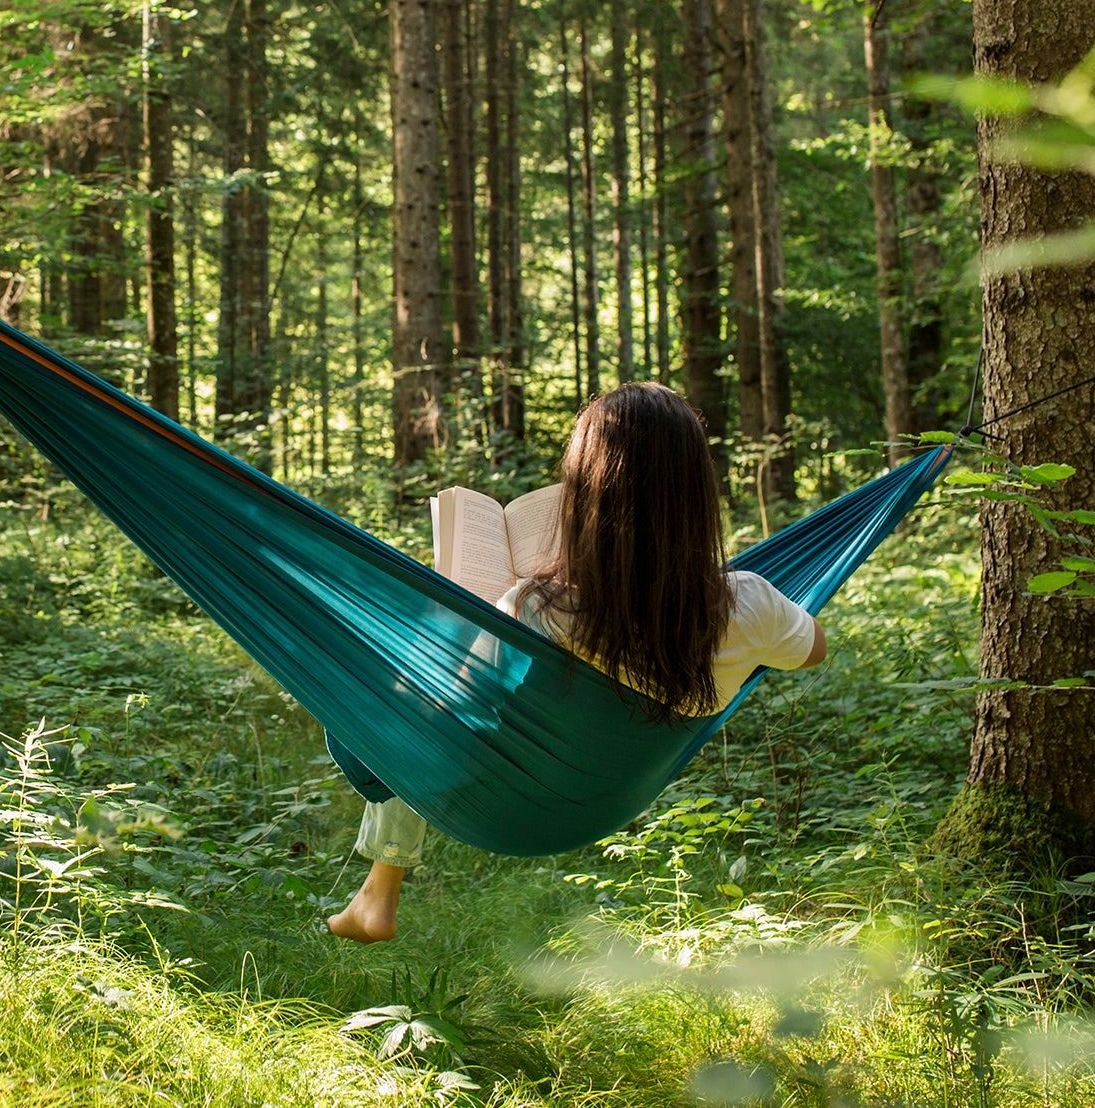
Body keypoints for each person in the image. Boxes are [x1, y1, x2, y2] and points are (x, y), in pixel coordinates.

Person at [327, 381, 827, 944]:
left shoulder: (539, 608)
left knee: (376, 696)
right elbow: (813, 650)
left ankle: (382, 885)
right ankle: (376, 891)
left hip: (508, 804)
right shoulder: (750, 604)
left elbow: (454, 710)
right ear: (695, 494)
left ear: (587, 498)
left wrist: (468, 618)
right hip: (614, 796)